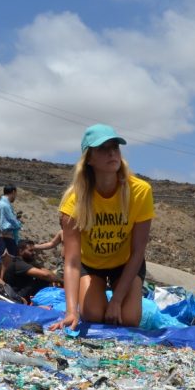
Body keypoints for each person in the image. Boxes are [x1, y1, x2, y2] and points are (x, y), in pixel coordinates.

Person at [50, 124, 154, 330]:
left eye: (115, 147)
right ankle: (95, 297)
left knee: (129, 318)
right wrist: (71, 311)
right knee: (94, 315)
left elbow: (138, 251)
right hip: (91, 264)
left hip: (125, 263)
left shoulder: (140, 191)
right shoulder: (74, 200)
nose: (111, 152)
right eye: (102, 148)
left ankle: (118, 298)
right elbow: (71, 261)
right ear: (89, 158)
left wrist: (116, 301)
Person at [0, 183, 21, 273]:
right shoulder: (4, 205)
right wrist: (17, 224)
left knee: (6, 267)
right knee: (6, 268)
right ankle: (3, 286)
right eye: (15, 194)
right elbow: (4, 226)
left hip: (6, 239)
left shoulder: (3, 204)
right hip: (6, 239)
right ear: (13, 192)